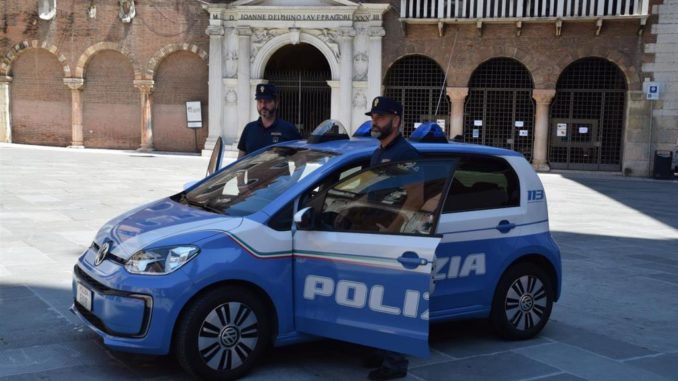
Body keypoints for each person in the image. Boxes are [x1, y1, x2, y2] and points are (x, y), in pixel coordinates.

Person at [362, 96, 420, 380]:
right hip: (376, 237)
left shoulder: (405, 153)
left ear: (396, 120)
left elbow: (416, 198)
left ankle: (395, 364)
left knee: (394, 302)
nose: (375, 121)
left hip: (395, 240)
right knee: (378, 300)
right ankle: (380, 351)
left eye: (381, 117)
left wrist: (393, 228)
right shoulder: (378, 152)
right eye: (373, 116)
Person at [237, 83, 301, 157]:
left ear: (276, 103)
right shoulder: (249, 129)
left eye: (267, 101)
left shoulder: (288, 129)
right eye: (260, 101)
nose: (263, 105)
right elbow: (240, 159)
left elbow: (301, 157)